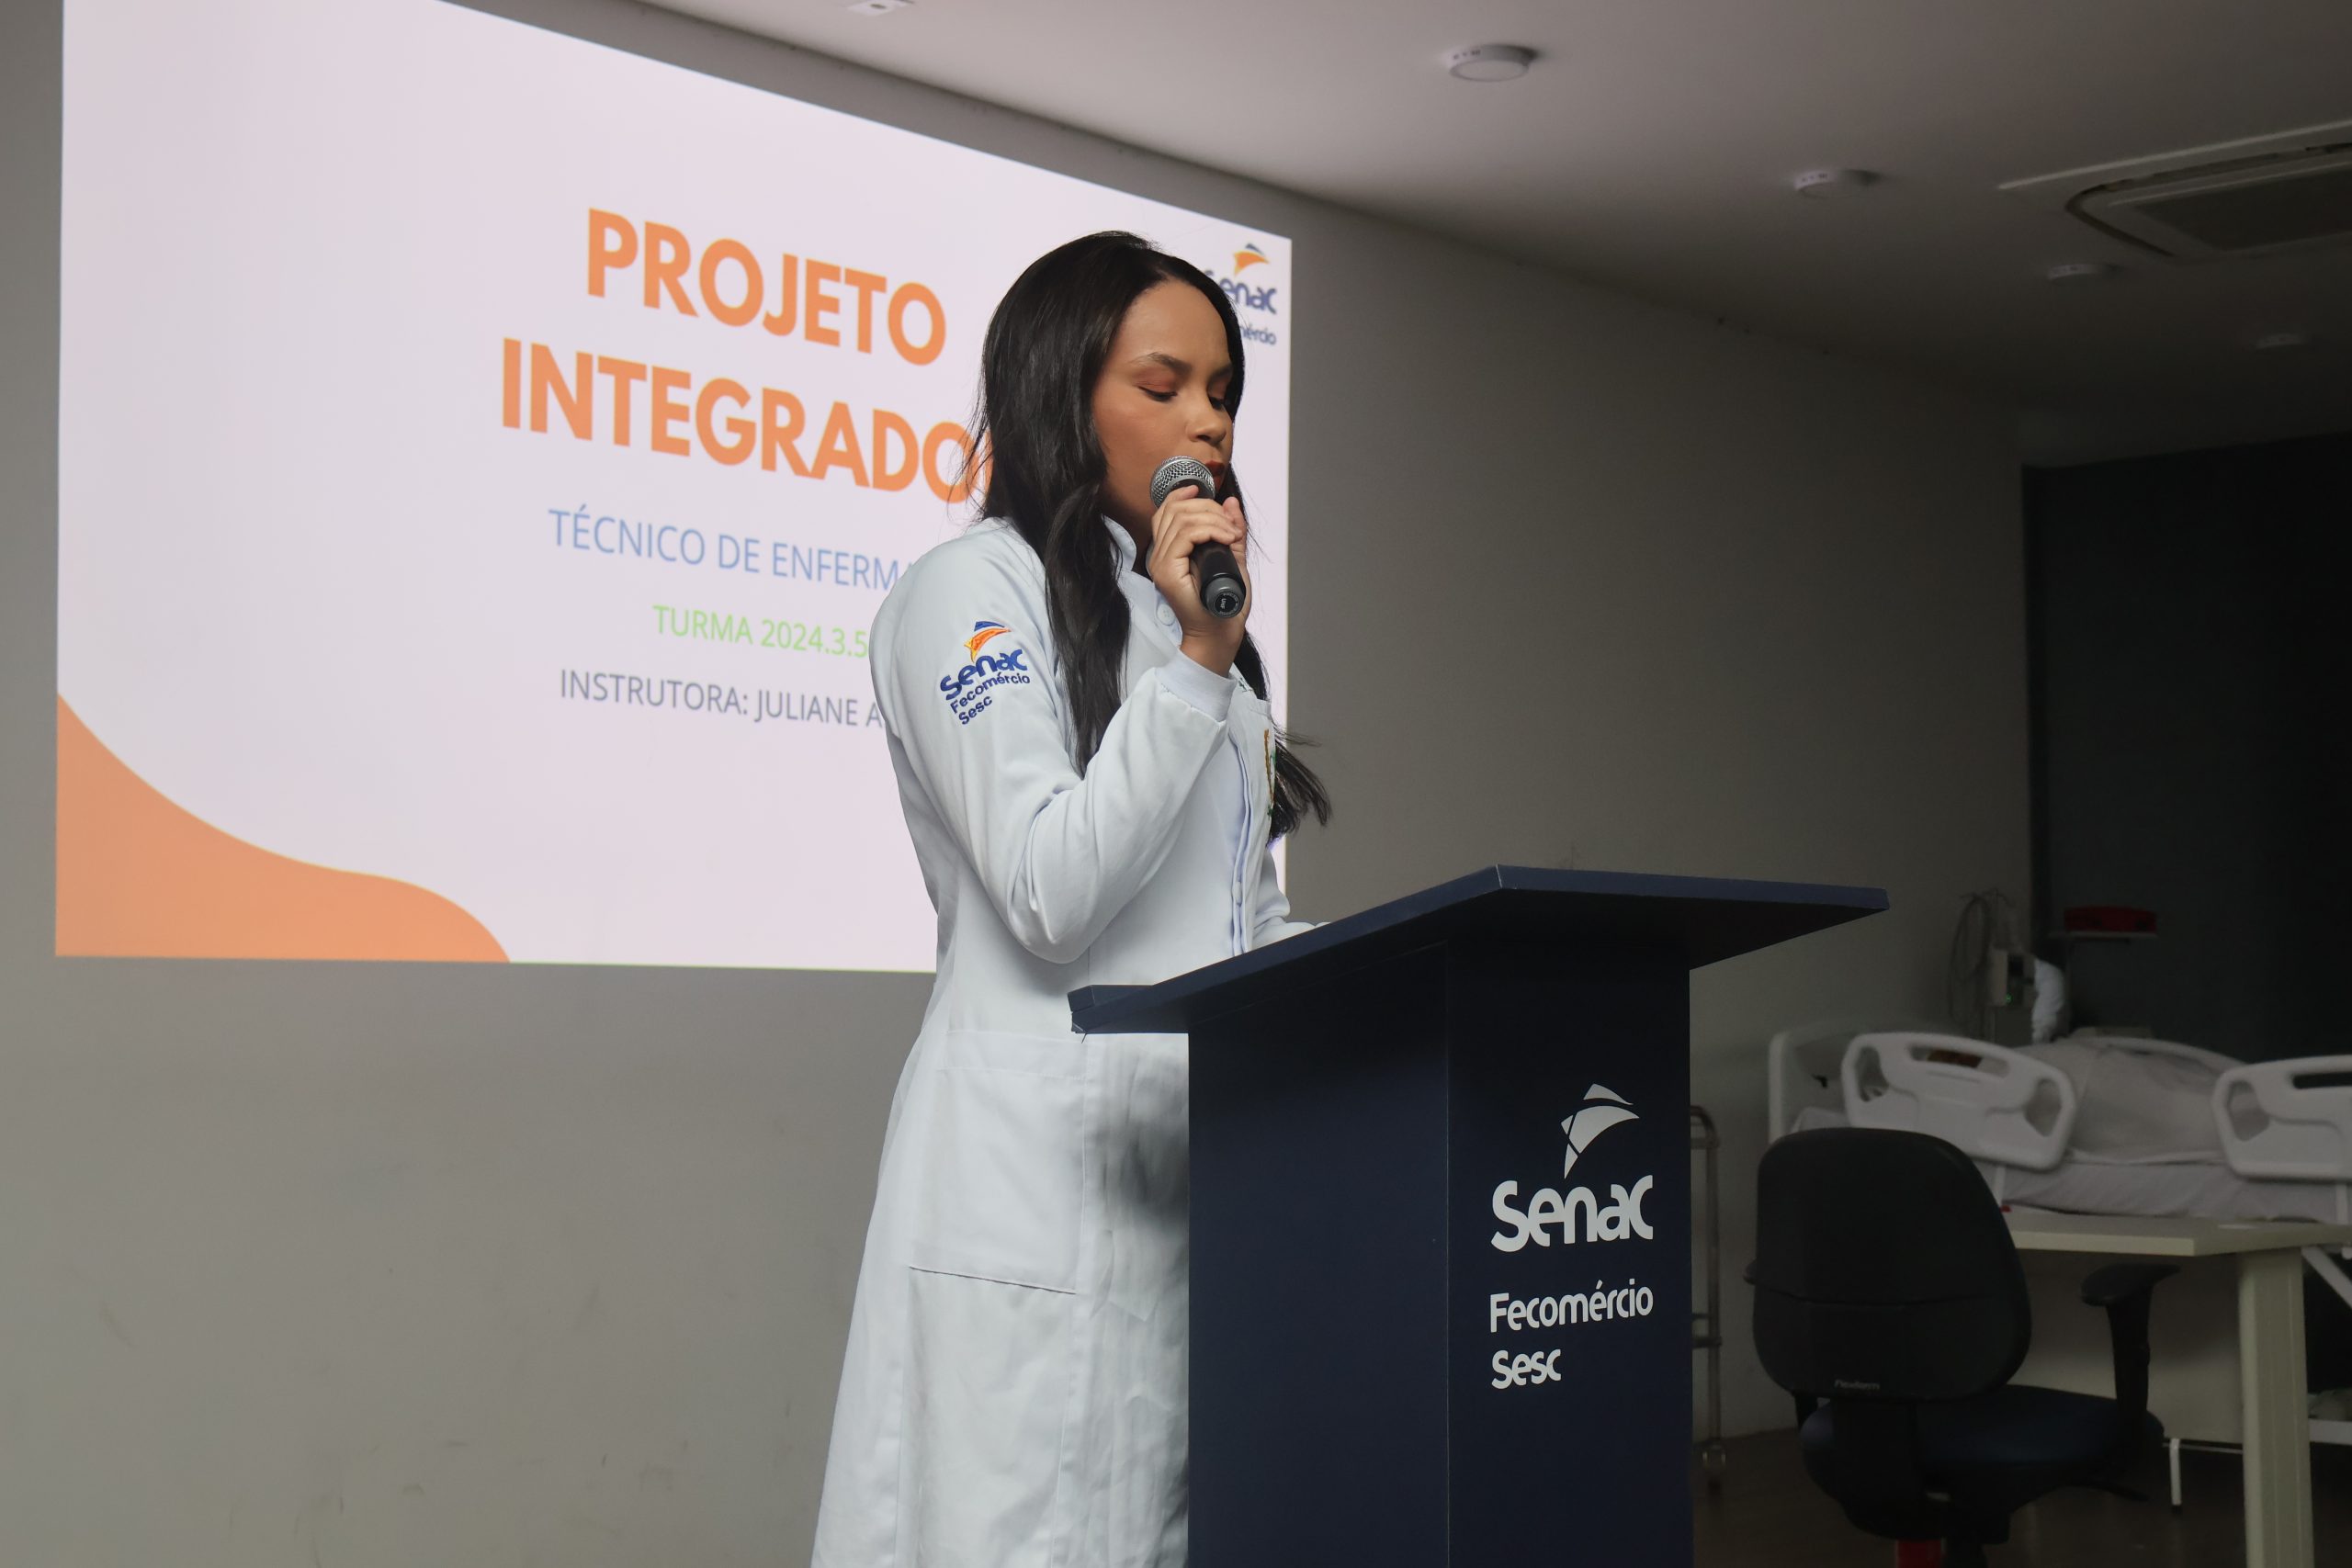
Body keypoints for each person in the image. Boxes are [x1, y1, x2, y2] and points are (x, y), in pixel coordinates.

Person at [809, 231, 1329, 1567]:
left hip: (1185, 1182)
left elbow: (1242, 920)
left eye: (1223, 391)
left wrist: (1400, 976)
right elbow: (1048, 889)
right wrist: (1199, 666)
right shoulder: (969, 592)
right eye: (1165, 385)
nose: (1208, 421)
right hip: (1027, 1192)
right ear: (1060, 388)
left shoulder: (1194, 635)